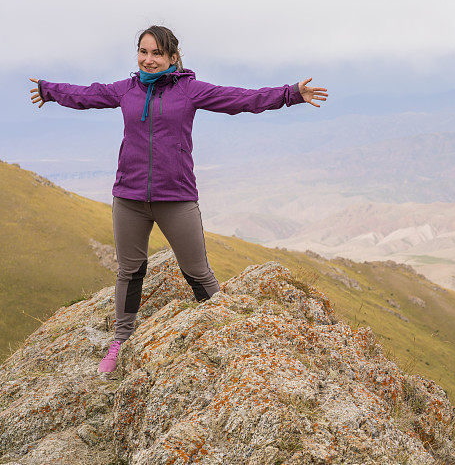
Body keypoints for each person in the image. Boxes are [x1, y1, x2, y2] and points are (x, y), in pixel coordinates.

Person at [28, 25, 328, 374]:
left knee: (198, 272)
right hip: (129, 196)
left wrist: (290, 93)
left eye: (157, 54)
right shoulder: (126, 90)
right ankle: (121, 341)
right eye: (143, 52)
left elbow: (241, 99)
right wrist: (50, 90)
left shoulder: (189, 90)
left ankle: (226, 331)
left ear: (173, 58)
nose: (148, 60)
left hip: (177, 197)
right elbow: (87, 94)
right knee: (130, 271)